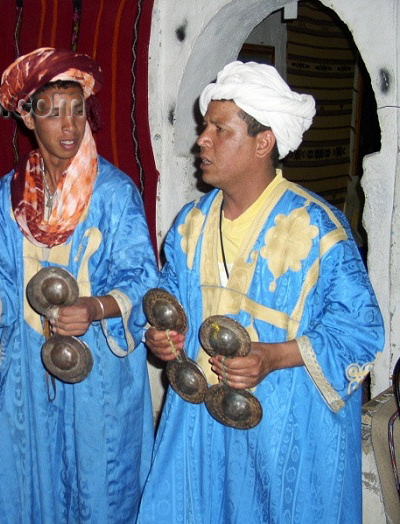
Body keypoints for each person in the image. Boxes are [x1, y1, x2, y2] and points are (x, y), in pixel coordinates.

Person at [137, 61, 385, 523]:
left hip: (283, 433)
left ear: (263, 142)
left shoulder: (318, 229)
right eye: (205, 126)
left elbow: (360, 331)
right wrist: (163, 334)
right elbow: (168, 298)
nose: (202, 140)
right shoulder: (192, 225)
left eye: (219, 129)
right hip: (200, 429)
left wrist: (273, 356)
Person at [0, 47, 158, 522]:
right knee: (28, 484)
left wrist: (95, 308)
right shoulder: (8, 196)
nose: (68, 126)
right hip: (27, 370)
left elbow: (143, 279)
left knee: (101, 485)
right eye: (52, 112)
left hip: (99, 369)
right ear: (26, 118)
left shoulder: (114, 194)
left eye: (77, 111)